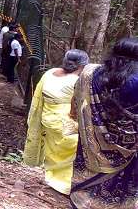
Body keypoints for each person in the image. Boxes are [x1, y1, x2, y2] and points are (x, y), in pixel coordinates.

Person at [70, 37, 138, 208]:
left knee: (86, 178)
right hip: (128, 148)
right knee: (120, 185)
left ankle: (81, 202)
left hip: (92, 138)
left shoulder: (90, 73)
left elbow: (77, 100)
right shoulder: (135, 82)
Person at [23, 49, 90, 195]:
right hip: (66, 122)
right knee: (70, 154)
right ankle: (64, 185)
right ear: (81, 66)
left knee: (52, 151)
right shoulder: (77, 81)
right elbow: (83, 105)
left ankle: (52, 178)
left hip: (47, 119)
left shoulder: (49, 73)